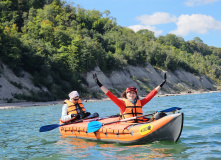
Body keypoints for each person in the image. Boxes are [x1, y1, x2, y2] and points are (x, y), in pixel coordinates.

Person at [93, 73, 167, 123]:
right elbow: (110, 95)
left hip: (139, 124)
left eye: (134, 93)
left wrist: (161, 84)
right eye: (130, 93)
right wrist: (99, 84)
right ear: (126, 94)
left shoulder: (140, 103)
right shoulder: (122, 104)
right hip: (128, 126)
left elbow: (151, 95)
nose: (132, 94)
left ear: (136, 94)